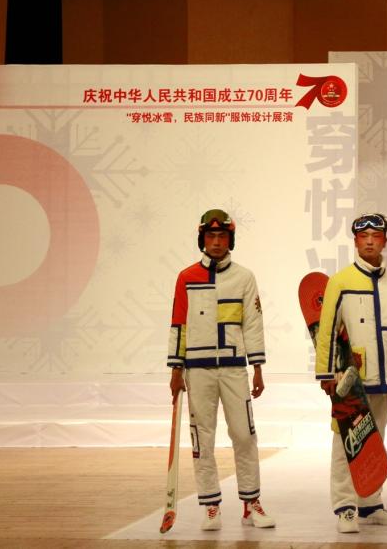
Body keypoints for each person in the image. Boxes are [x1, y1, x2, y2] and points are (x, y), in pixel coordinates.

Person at [167, 209, 275, 531]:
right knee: (203, 438)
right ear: (203, 238)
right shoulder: (186, 277)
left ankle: (251, 503)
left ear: (230, 239)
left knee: (244, 434)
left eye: (222, 236)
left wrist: (258, 367)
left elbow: (253, 324)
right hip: (197, 370)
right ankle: (211, 505)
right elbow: (178, 324)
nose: (216, 242)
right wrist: (175, 370)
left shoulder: (244, 277)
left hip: (233, 368)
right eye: (211, 236)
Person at [315, 213, 387, 533]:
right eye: (363, 236)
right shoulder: (340, 281)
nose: (370, 241)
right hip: (350, 379)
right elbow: (327, 329)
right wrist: (327, 373)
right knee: (346, 441)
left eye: (376, 236)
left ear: (385, 241)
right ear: (355, 241)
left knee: (375, 441)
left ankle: (370, 503)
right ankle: (345, 506)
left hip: (384, 376)